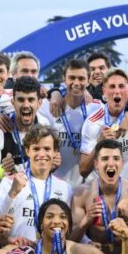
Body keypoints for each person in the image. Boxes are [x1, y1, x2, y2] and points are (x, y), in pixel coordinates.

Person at [0, 125, 73, 243]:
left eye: (47, 149)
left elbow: (67, 230)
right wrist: (12, 193)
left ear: (55, 151)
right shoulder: (10, 182)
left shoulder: (65, 188)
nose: (41, 154)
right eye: (36, 149)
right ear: (27, 151)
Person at [72, 139, 128, 254]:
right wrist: (86, 221)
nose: (111, 163)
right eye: (105, 159)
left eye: (116, 158)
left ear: (122, 163)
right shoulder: (81, 193)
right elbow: (70, 241)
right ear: (96, 164)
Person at [40, 58, 102, 187]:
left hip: (89, 185)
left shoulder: (98, 108)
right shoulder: (49, 107)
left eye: (81, 78)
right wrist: (54, 92)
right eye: (71, 78)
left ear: (89, 80)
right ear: (64, 79)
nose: (76, 83)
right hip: (56, 185)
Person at [0, 76, 50, 185]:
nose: (26, 105)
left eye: (31, 100)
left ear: (39, 103)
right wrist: (3, 171)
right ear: (12, 102)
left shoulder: (45, 126)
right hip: (4, 193)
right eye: (20, 100)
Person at [80, 68, 128, 183]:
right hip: (101, 189)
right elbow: (83, 170)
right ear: (104, 92)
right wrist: (100, 143)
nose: (117, 91)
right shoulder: (93, 122)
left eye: (121, 86)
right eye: (112, 87)